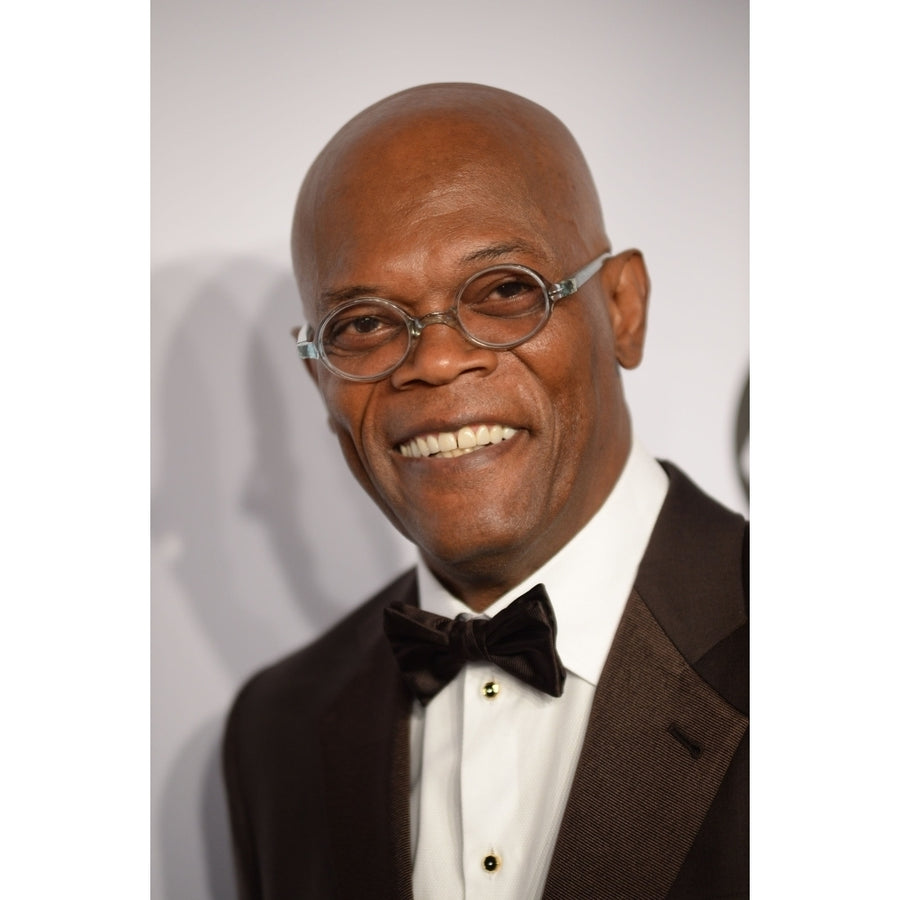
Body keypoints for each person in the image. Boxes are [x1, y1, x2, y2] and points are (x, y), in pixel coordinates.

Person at [223, 83, 748, 900]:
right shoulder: (275, 733)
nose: (432, 362)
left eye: (504, 290)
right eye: (363, 322)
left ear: (623, 308)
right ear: (319, 378)